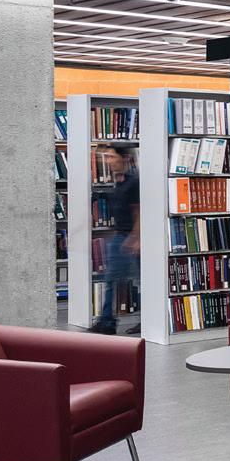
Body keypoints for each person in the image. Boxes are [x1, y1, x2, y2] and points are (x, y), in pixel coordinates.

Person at [90, 143, 140, 335]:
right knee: (112, 279)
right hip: (120, 236)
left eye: (112, 157)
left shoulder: (133, 183)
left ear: (124, 158)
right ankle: (107, 321)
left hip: (129, 238)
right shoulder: (118, 181)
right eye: (107, 158)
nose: (108, 161)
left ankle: (108, 322)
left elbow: (138, 212)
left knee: (134, 281)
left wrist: (136, 238)